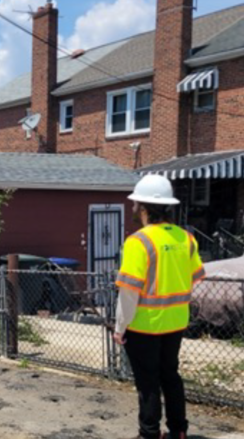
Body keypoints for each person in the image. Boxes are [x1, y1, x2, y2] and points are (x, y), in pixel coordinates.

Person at [114, 174, 206, 439]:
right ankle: (178, 431)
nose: (132, 208)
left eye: (134, 204)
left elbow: (129, 293)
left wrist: (120, 327)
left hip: (144, 326)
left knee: (148, 383)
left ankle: (149, 433)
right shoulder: (186, 238)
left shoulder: (138, 241)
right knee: (171, 377)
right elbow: (193, 277)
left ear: (143, 208)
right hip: (176, 322)